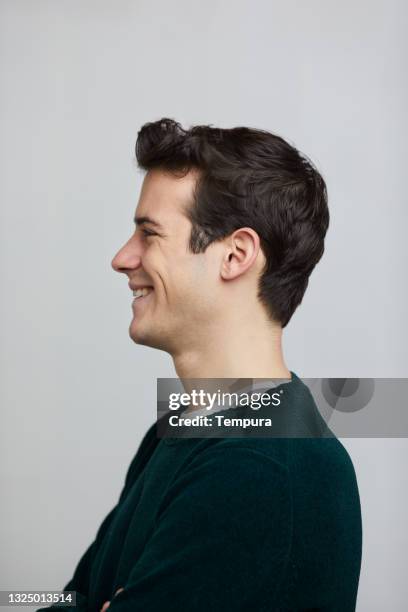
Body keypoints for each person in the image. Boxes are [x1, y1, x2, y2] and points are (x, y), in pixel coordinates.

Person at [37, 118, 362, 611]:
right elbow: (75, 598)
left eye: (149, 234)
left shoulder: (263, 471)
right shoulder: (180, 431)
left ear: (235, 255)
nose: (123, 258)